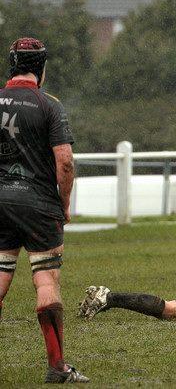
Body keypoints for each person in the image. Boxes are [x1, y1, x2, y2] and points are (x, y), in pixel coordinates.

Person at [0, 38, 88, 383]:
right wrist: (63, 203)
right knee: (46, 279)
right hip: (38, 205)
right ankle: (57, 367)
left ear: (12, 65)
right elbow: (64, 162)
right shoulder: (49, 105)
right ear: (41, 68)